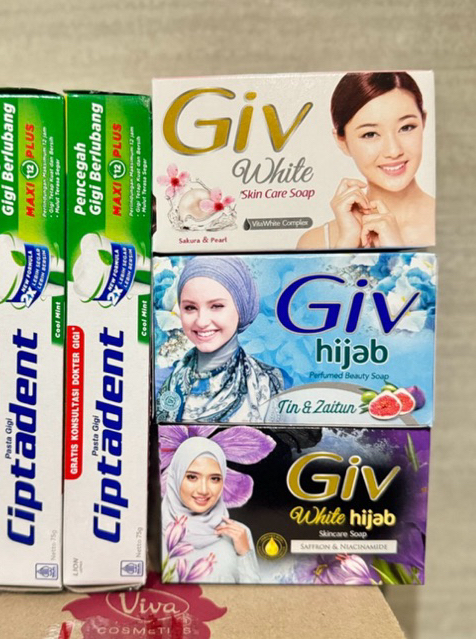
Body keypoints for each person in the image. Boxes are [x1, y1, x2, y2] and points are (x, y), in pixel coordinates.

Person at [297, 71, 434, 250]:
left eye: (406, 127)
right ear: (342, 141)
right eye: (370, 134)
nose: (393, 151)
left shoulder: (454, 223)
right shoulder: (317, 242)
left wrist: (395, 254)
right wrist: (346, 243)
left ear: (423, 122)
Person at [156, 256, 284, 423]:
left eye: (216, 306)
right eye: (190, 307)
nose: (201, 321)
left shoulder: (275, 382)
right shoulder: (160, 382)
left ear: (242, 307)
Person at [162, 437, 260, 583]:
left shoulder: (238, 533)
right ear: (175, 476)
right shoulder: (153, 533)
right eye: (192, 477)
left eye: (214, 479)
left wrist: (245, 554)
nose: (203, 490)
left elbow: (254, 595)